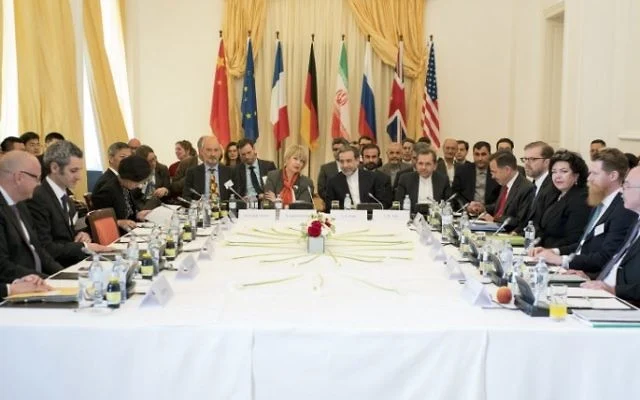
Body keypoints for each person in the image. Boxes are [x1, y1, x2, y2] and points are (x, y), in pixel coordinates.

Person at [531, 148, 635, 276]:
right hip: (579, 270)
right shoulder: (599, 203)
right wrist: (555, 251)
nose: (589, 178)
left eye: (595, 174)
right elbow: (584, 244)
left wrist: (562, 260)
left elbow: (606, 257)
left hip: (595, 278)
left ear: (613, 176)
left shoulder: (623, 208)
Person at [27, 141, 112, 266]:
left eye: (79, 170)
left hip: (72, 261)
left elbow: (67, 236)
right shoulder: (38, 198)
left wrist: (82, 236)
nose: (79, 177)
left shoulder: (65, 197)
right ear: (54, 168)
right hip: (54, 268)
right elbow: (45, 247)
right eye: (73, 171)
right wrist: (83, 246)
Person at [565, 165, 640, 304]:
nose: (621, 191)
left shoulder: (627, 217)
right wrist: (592, 278)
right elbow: (615, 265)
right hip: (604, 292)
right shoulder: (636, 223)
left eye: (627, 186)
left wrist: (613, 290)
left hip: (625, 302)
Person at [0, 151, 63, 277]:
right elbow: (3, 266)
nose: (39, 184)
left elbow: (37, 248)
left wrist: (62, 274)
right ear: (19, 177)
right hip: (20, 284)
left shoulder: (21, 204)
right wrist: (44, 279)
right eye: (37, 178)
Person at [531, 150, 591, 248]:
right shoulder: (554, 194)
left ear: (576, 175)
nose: (557, 176)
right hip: (542, 250)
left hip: (561, 253)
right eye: (554, 172)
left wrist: (549, 251)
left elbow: (573, 239)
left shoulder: (581, 198)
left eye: (564, 171)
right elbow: (541, 227)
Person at [468, 150, 534, 231]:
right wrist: (482, 208)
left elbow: (520, 221)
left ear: (507, 170)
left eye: (494, 172)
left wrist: (494, 220)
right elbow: (500, 208)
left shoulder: (526, 188)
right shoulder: (505, 183)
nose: (492, 176)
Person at [91, 155, 151, 232]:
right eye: (137, 183)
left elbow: (128, 213)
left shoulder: (125, 186)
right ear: (128, 177)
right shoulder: (108, 191)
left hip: (130, 231)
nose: (139, 185)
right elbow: (95, 220)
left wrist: (138, 214)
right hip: (116, 234)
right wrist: (119, 222)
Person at [324, 145, 391, 210]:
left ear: (357, 160)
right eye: (342, 162)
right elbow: (329, 207)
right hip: (345, 216)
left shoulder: (373, 178)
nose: (345, 165)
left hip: (369, 216)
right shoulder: (333, 181)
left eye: (348, 161)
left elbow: (383, 203)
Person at [515, 141, 558, 232]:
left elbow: (543, 224)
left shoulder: (552, 187)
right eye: (525, 159)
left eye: (532, 159)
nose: (526, 164)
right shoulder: (534, 185)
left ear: (547, 162)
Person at [395, 147, 450, 213]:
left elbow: (449, 203)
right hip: (411, 216)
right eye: (420, 163)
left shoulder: (443, 180)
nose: (423, 167)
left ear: (435, 166)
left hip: (435, 217)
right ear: (416, 164)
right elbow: (398, 203)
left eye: (428, 164)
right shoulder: (405, 179)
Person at [451, 141, 500, 209]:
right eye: (477, 154)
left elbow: (500, 199)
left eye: (483, 154)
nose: (480, 158)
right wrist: (467, 207)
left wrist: (485, 208)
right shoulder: (462, 171)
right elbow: (455, 195)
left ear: (489, 155)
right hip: (466, 211)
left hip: (489, 212)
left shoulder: (497, 172)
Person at [183, 136, 232, 201]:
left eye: (216, 150)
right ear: (202, 152)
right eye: (209, 150)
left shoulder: (229, 172)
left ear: (220, 152)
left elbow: (235, 195)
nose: (213, 154)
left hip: (223, 207)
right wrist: (196, 204)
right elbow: (186, 197)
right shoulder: (192, 172)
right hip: (201, 207)